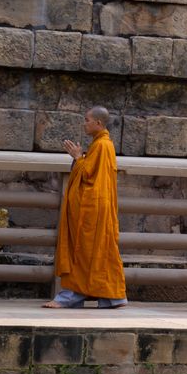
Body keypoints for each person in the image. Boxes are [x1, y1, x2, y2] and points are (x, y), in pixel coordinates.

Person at [45, 106, 126, 309]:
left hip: (93, 210)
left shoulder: (102, 146)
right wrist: (80, 157)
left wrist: (78, 157)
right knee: (98, 251)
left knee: (84, 251)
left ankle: (75, 296)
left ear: (98, 123)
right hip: (98, 208)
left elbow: (89, 175)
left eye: (87, 120)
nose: (84, 123)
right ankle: (111, 297)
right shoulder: (102, 144)